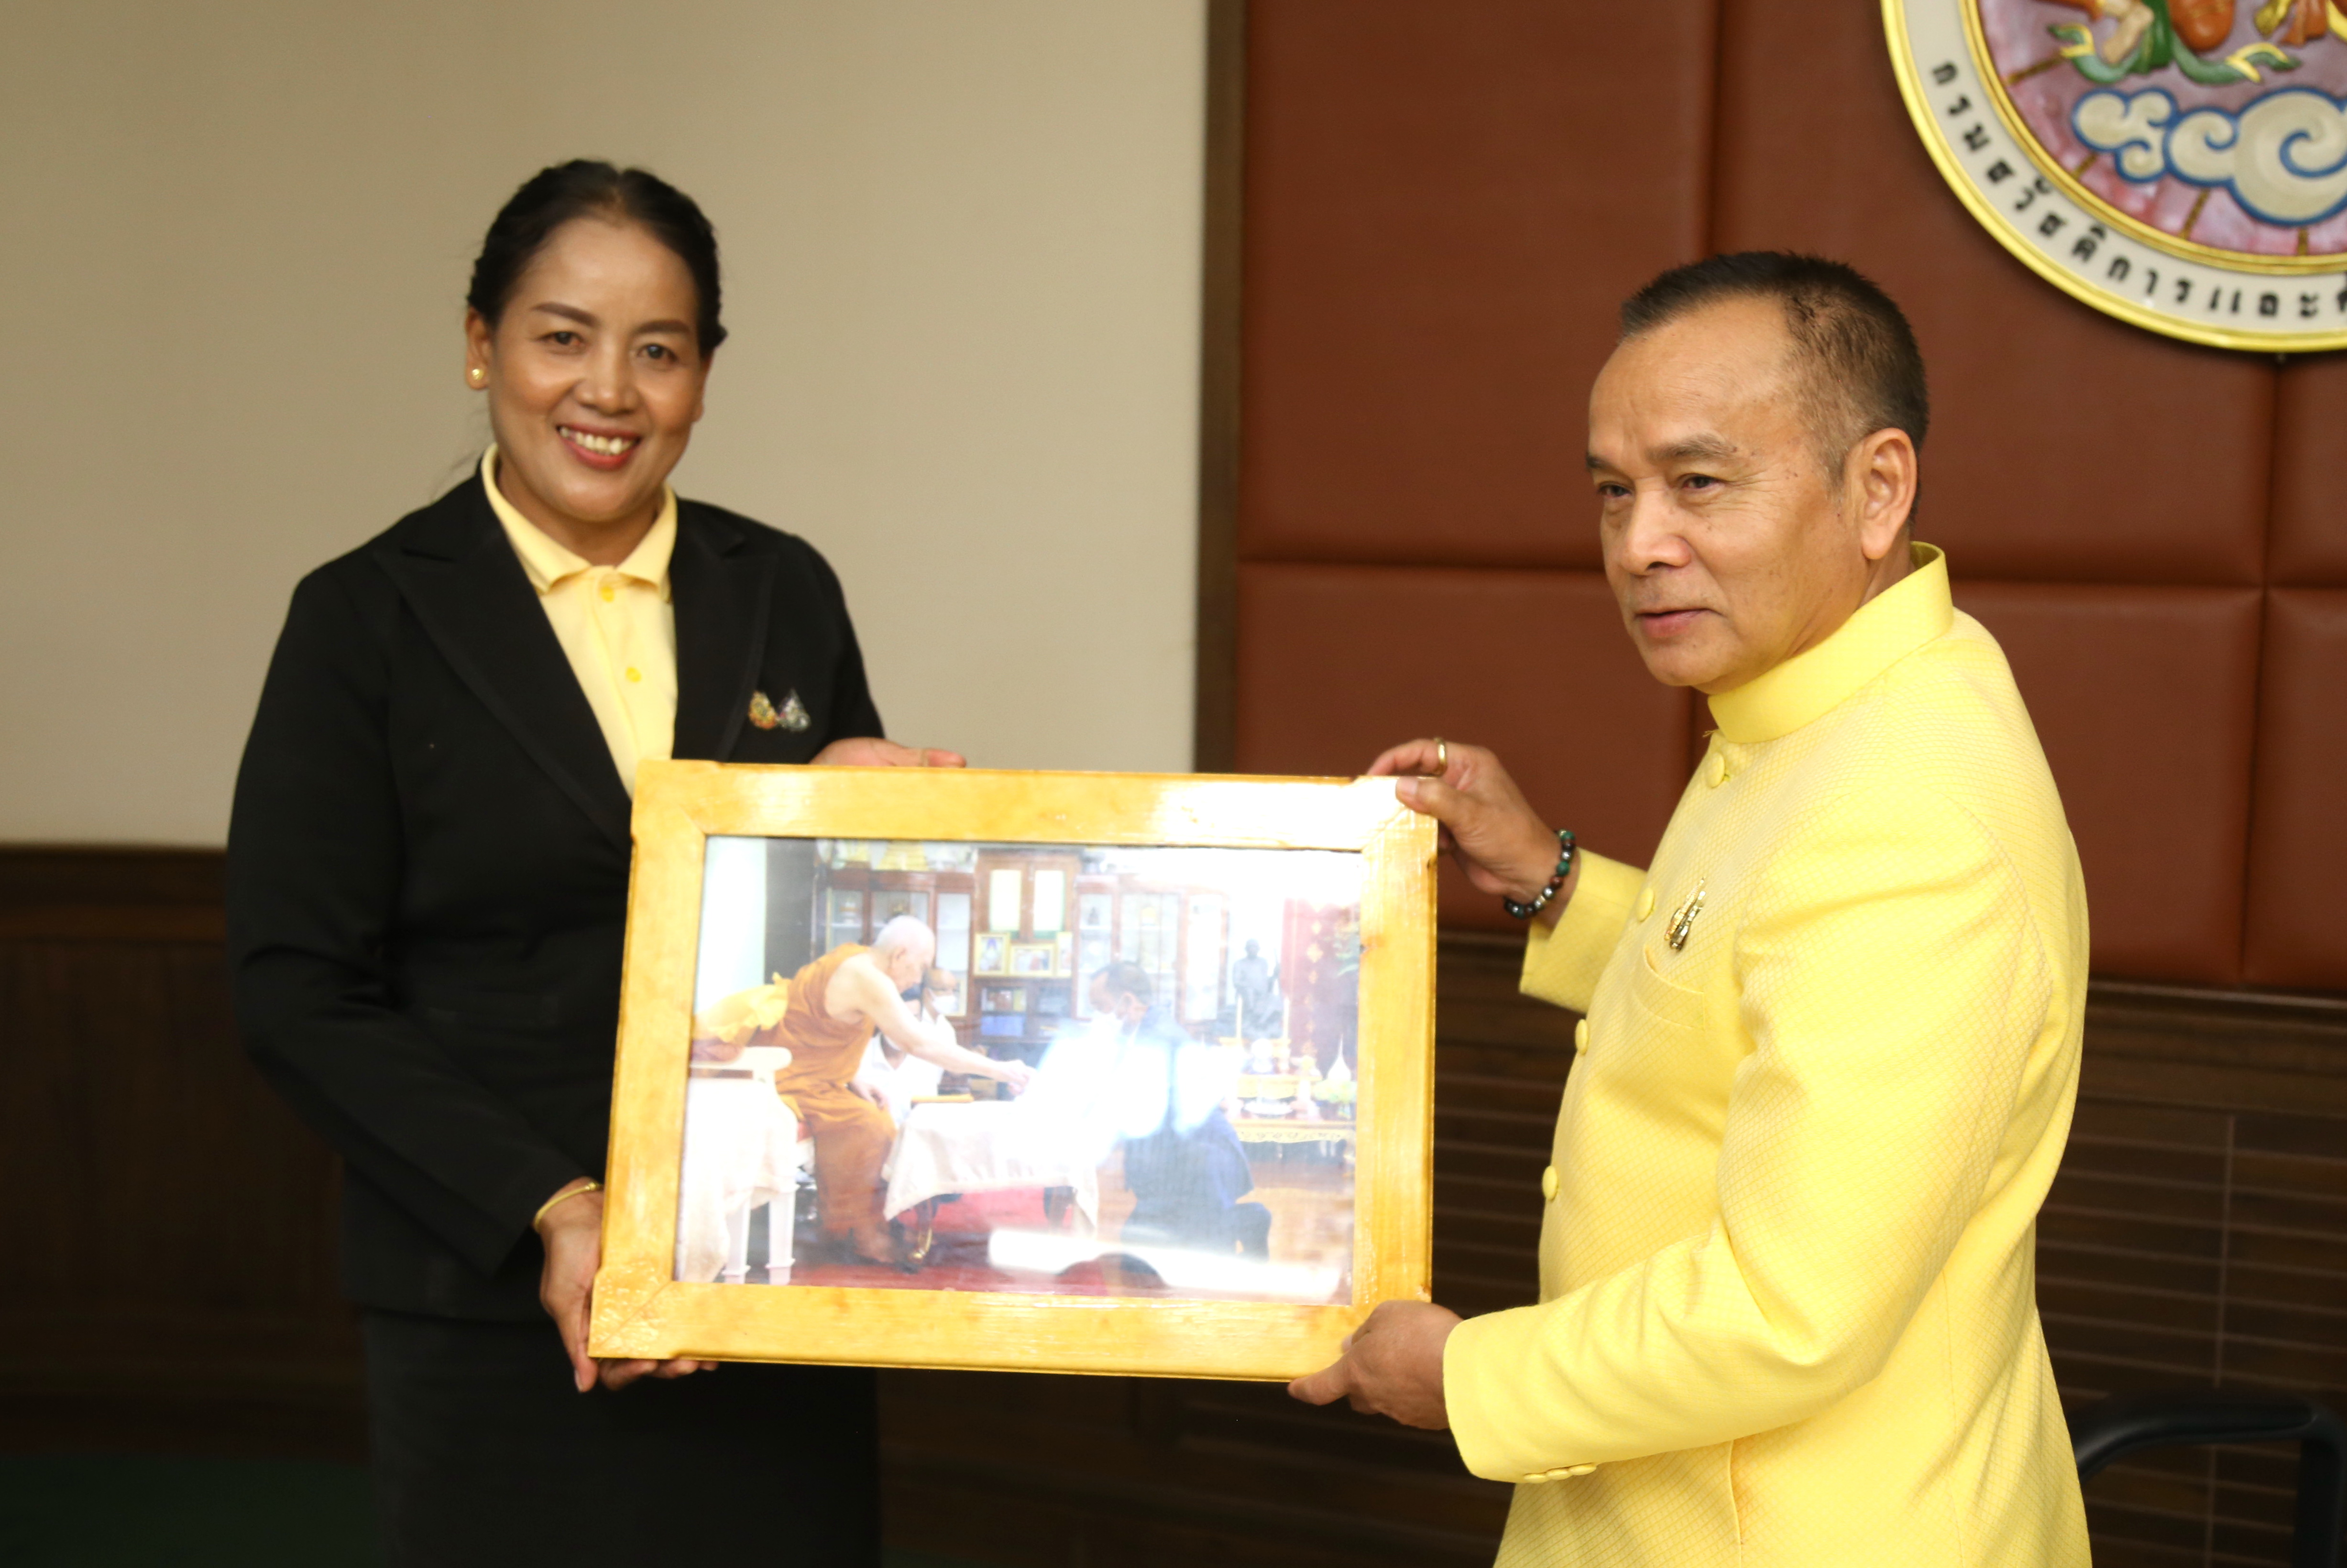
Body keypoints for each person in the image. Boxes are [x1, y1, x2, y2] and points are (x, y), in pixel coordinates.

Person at [1289, 254, 2092, 1565]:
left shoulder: (1908, 807)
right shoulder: (1841, 699)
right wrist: (1550, 878)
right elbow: (1767, 971)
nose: (1638, 545)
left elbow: (1789, 1308)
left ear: (1876, 488)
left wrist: (1465, 1376)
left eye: (1698, 483)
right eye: (1614, 491)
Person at [226, 161, 961, 1567]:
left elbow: (802, 922)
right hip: (488, 1284)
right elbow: (296, 989)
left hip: (758, 1268)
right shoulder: (364, 618)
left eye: (658, 350)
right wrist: (553, 1207)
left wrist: (845, 817)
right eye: (562, 336)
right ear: (479, 343)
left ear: (704, 376)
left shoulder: (783, 586)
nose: (609, 390)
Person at [698, 918, 1032, 1265]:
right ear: (899, 955)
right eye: (919, 968)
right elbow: (918, 1043)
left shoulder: (856, 961)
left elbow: (824, 1033)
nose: (918, 980)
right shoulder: (868, 978)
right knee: (869, 1127)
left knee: (875, 1117)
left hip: (809, 1076)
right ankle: (860, 1232)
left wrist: (852, 1078)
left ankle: (860, 1223)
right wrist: (999, 1069)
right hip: (784, 1078)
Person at [1094, 962, 1270, 1260]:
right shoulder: (1144, 1028)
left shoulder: (1157, 1037)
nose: (1097, 1016)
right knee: (1137, 1252)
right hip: (1179, 1159)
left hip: (1199, 1165)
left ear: (1127, 1001)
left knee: (1197, 1261)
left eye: (1100, 1007)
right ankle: (1232, 1221)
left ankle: (1248, 1220)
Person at [857, 966, 963, 1121]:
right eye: (900, 1019)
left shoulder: (927, 1062)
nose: (907, 1028)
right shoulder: (858, 1056)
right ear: (882, 1018)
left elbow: (928, 1117)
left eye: (914, 1019)